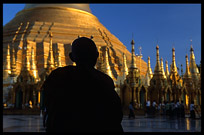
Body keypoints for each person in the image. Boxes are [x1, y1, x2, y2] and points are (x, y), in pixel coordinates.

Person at [42, 37, 123, 132]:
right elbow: (116, 115)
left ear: (72, 57)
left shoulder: (59, 76)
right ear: (96, 56)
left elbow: (49, 107)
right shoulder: (104, 80)